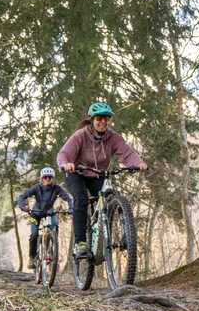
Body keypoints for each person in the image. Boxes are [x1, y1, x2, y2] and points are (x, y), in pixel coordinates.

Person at [57, 101, 147, 259]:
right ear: (92, 120)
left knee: (112, 197)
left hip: (97, 175)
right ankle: (80, 243)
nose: (103, 122)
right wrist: (66, 164)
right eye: (99, 118)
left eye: (106, 118)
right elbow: (63, 154)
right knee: (81, 199)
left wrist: (138, 163)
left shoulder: (113, 137)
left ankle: (128, 236)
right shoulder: (80, 135)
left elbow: (127, 153)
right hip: (76, 173)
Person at [15, 167, 74, 270]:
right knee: (34, 235)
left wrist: (71, 207)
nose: (47, 179)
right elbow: (22, 197)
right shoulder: (36, 188)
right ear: (42, 178)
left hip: (50, 213)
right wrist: (23, 206)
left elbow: (68, 197)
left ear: (53, 178)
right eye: (45, 177)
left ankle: (51, 248)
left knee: (54, 227)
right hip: (35, 214)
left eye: (50, 177)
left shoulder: (57, 188)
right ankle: (32, 258)